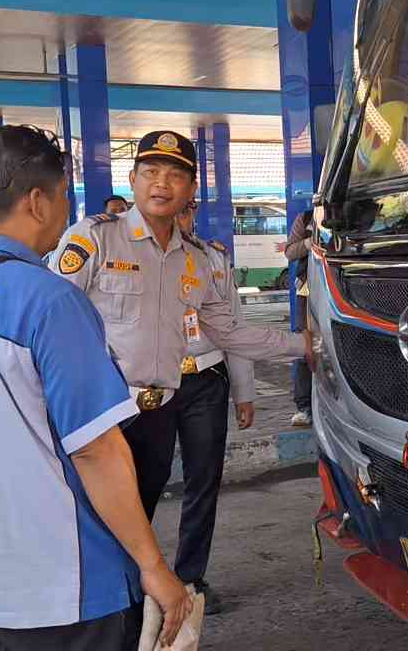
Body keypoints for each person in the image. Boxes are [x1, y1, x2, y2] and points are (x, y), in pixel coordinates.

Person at [0, 125, 192, 651]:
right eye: (63, 196)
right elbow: (96, 450)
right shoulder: (50, 301)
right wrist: (153, 566)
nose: (66, 210)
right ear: (37, 202)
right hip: (70, 584)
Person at [49, 130, 309, 525]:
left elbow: (230, 331)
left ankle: (140, 587)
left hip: (157, 414)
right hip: (102, 414)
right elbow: (52, 322)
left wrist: (303, 345)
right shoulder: (96, 238)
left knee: (140, 522)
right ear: (133, 179)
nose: (161, 184)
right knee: (94, 528)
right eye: (151, 171)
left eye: (174, 176)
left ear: (191, 188)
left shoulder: (196, 260)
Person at [170, 202, 257, 615]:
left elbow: (235, 330)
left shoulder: (214, 260)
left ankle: (189, 577)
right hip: (147, 385)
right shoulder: (126, 260)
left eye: (184, 211)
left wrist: (244, 392)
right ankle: (133, 579)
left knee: (202, 481)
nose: (177, 220)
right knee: (137, 484)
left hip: (206, 380)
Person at [284, 208, 314, 427]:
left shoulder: (355, 213)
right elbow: (290, 252)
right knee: (304, 346)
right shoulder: (305, 218)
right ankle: (304, 407)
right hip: (308, 290)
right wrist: (308, 243)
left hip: (341, 289)